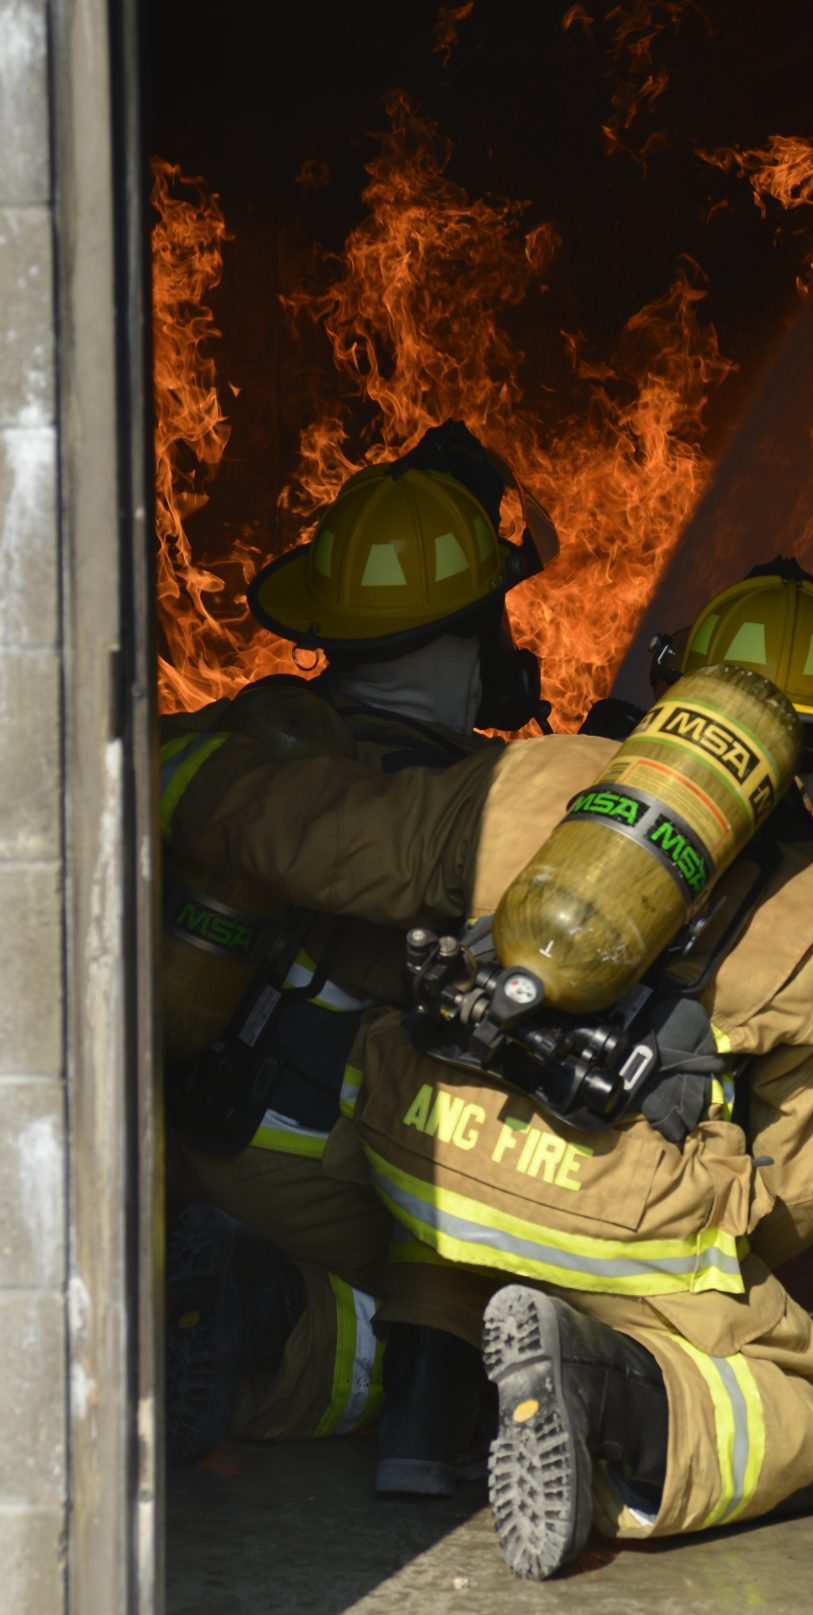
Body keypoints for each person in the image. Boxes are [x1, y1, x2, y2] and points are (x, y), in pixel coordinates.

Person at [160, 558, 813, 1578]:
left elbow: (324, 843)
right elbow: (803, 1186)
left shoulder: (537, 774)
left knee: (451, 1266)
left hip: (418, 1154)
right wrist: (688, 1255)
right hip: (609, 1212)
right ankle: (605, 1392)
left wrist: (160, 766)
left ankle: (306, 1335)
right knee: (803, 1395)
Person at [158, 422, 562, 1495]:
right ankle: (277, 1319)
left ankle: (192, 1291)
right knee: (469, 1345)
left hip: (185, 1134)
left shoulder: (255, 737)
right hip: (328, 1180)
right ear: (471, 634)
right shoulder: (450, 814)